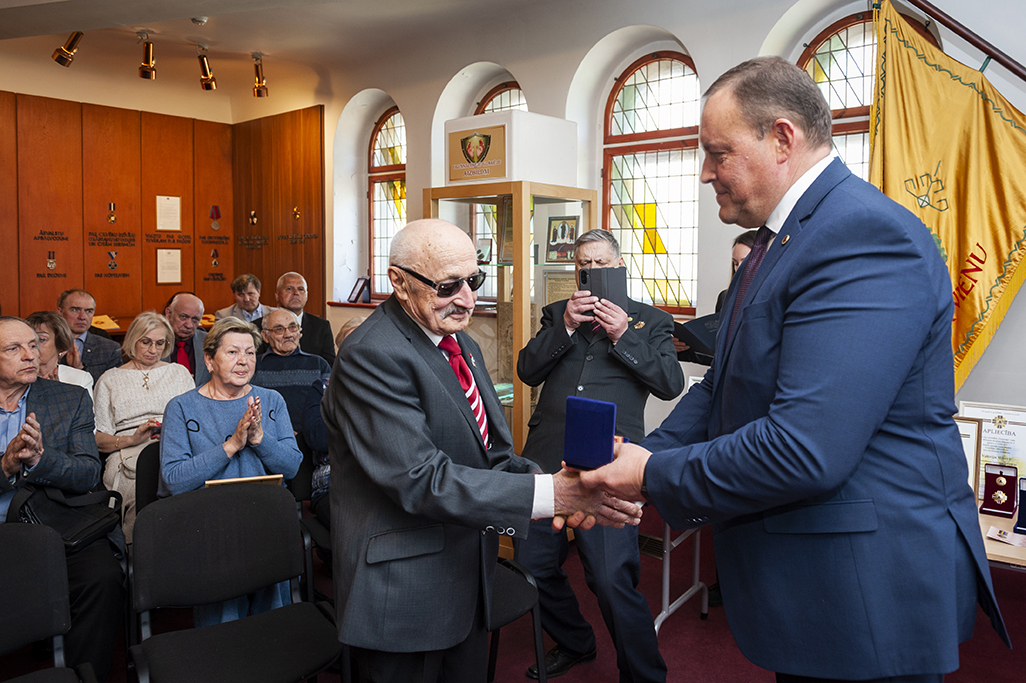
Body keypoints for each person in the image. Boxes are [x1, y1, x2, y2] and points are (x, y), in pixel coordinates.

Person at [580, 56, 1008, 682]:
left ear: (782, 138)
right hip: (813, 572)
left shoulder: (859, 235)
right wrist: (638, 458)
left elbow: (805, 448)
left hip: (863, 584)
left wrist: (652, 475)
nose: (704, 174)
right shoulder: (782, 240)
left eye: (717, 152)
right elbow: (723, 385)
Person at [321, 219, 643, 683]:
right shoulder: (372, 354)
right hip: (405, 590)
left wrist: (571, 485)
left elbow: (492, 452)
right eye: (449, 286)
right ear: (398, 280)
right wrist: (554, 496)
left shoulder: (460, 341)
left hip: (466, 572)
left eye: (474, 281)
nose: (469, 300)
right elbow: (420, 479)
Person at [516, 228, 683, 682]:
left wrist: (624, 334)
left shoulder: (651, 321)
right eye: (583, 266)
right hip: (548, 459)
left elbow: (671, 383)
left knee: (610, 579)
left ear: (619, 267)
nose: (591, 272)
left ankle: (644, 674)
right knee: (531, 566)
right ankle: (574, 641)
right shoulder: (558, 314)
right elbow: (528, 371)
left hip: (610, 466)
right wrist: (566, 327)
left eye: (600, 264)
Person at [0, 316, 124, 681]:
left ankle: (82, 676)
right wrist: (5, 466)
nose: (30, 356)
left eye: (34, 345)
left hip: (56, 522)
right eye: (14, 349)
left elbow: (88, 472)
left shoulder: (68, 399)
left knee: (102, 577)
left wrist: (40, 459)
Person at [158, 316, 302, 626]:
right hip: (208, 524)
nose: (244, 361)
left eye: (250, 352)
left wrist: (260, 440)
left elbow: (291, 467)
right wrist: (231, 445)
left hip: (264, 518)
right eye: (233, 352)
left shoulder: (272, 401)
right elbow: (174, 481)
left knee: (273, 617)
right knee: (224, 611)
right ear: (209, 360)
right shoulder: (181, 407)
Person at [94, 312, 194, 541]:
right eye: (146, 342)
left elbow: (194, 422)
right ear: (132, 341)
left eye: (160, 343)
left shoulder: (178, 373)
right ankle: (138, 559)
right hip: (128, 452)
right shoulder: (110, 379)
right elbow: (99, 438)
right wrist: (133, 439)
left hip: (175, 446)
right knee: (139, 494)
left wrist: (172, 433)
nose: (153, 350)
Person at [303, 315, 365, 534]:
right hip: (333, 482)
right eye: (350, 344)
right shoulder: (323, 387)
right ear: (339, 351)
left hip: (377, 483)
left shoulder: (388, 385)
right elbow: (317, 438)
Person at [251, 309, 331, 434]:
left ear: (299, 332)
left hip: (311, 441)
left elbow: (329, 409)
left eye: (293, 327)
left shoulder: (319, 365)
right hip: (267, 438)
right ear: (265, 336)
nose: (288, 334)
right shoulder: (253, 366)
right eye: (279, 329)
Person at [253, 272, 336, 365]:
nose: (296, 293)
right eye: (289, 289)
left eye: (301, 289)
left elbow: (330, 365)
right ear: (277, 295)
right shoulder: (256, 327)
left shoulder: (321, 326)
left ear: (307, 295)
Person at [56, 289, 123, 383]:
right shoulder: (45, 343)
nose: (82, 317)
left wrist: (79, 369)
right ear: (60, 312)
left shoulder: (110, 349)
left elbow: (112, 388)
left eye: (88, 311)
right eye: (75, 310)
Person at [26, 310, 94, 398]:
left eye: (41, 339)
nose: (33, 346)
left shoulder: (80, 379)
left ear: (60, 344)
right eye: (28, 341)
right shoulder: (16, 376)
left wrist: (58, 395)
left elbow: (85, 411)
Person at [163, 292, 211, 386]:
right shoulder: (152, 343)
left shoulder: (209, 342)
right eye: (183, 317)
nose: (189, 325)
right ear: (169, 313)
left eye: (195, 319)